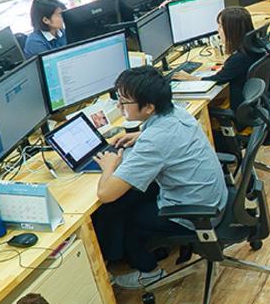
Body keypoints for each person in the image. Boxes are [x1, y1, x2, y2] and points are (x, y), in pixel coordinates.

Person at [90, 66, 228, 289]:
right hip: (213, 199)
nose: (119, 106)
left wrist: (109, 166)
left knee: (124, 213)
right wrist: (141, 134)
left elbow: (105, 194)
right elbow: (163, 136)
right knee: (134, 195)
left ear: (149, 107)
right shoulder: (176, 112)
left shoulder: (155, 141)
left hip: (197, 213)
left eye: (124, 101)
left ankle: (149, 272)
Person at [172, 7, 262, 106]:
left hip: (241, 106)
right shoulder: (256, 46)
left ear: (231, 30)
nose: (218, 30)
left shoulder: (238, 58)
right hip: (255, 102)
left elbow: (216, 80)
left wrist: (190, 78)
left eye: (220, 26)